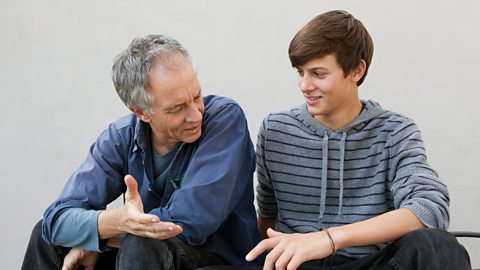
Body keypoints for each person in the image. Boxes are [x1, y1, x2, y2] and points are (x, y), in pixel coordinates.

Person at [245, 10, 471, 270]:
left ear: (356, 70)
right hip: (297, 266)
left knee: (438, 245)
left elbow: (430, 208)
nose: (304, 85)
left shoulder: (395, 131)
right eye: (300, 72)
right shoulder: (275, 129)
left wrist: (330, 239)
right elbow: (267, 217)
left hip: (368, 264)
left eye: (318, 74)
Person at [22, 34, 261, 270]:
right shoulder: (121, 137)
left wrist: (99, 239)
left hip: (214, 260)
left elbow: (190, 221)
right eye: (177, 108)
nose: (196, 114)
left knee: (141, 241)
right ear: (141, 112)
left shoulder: (224, 119)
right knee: (47, 241)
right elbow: (56, 222)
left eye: (196, 95)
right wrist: (114, 222)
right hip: (144, 255)